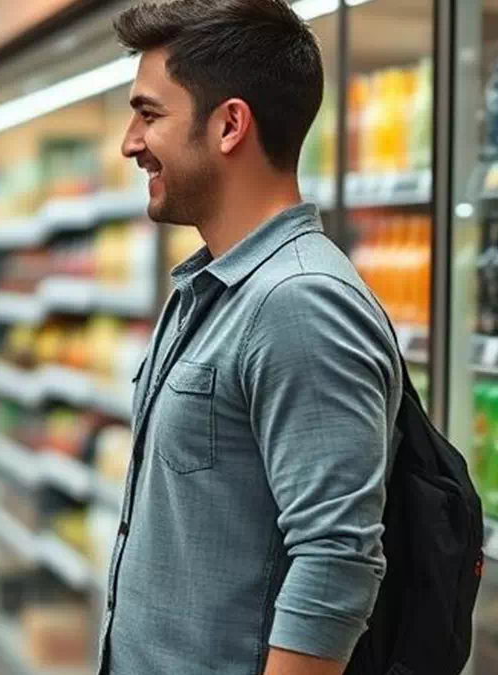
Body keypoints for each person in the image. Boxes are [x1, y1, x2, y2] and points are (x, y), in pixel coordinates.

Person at [100, 2, 402, 674]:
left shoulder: (299, 302)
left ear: (230, 124)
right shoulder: (210, 290)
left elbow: (336, 558)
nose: (129, 141)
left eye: (149, 114)